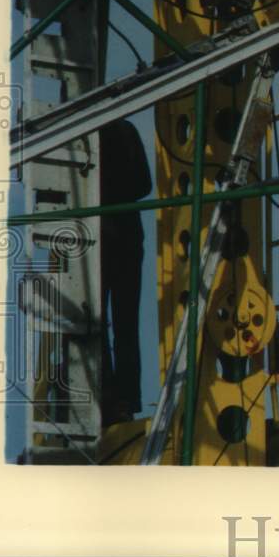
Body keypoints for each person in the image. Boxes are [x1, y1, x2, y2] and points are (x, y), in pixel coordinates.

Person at [98, 118, 152, 425]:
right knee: (124, 322)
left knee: (96, 320)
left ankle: (109, 398)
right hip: (127, 235)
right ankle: (124, 400)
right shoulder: (126, 128)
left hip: (103, 235)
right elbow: (144, 184)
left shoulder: (86, 130)